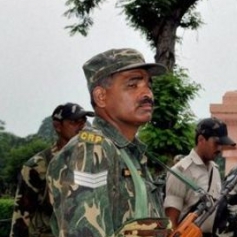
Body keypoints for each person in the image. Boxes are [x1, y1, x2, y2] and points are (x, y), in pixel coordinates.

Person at [46, 48, 171, 237]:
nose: (147, 94)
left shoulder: (128, 152)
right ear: (101, 97)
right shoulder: (91, 149)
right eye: (133, 85)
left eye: (149, 85)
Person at [9, 103, 93, 237]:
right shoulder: (38, 166)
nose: (81, 127)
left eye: (84, 121)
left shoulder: (95, 160)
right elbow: (22, 214)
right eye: (74, 122)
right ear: (57, 126)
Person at [164, 117, 236, 232]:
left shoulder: (215, 170)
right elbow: (171, 220)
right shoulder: (181, 171)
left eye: (221, 144)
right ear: (201, 140)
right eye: (216, 143)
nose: (219, 149)